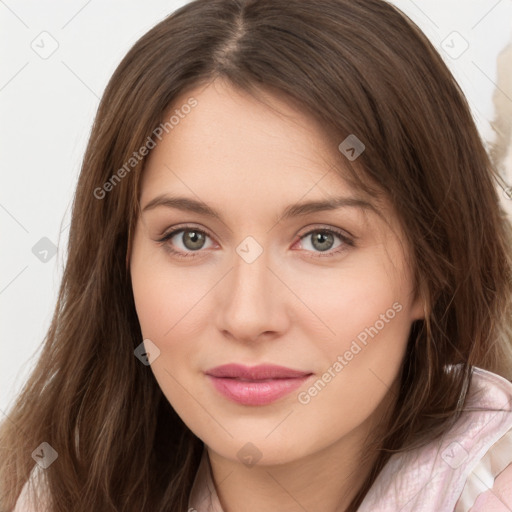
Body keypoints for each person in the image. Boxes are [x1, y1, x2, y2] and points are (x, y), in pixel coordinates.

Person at [2, 0, 512, 510]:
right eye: (190, 238)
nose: (247, 317)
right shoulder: (53, 489)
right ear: (122, 265)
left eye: (322, 239)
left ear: (433, 270)